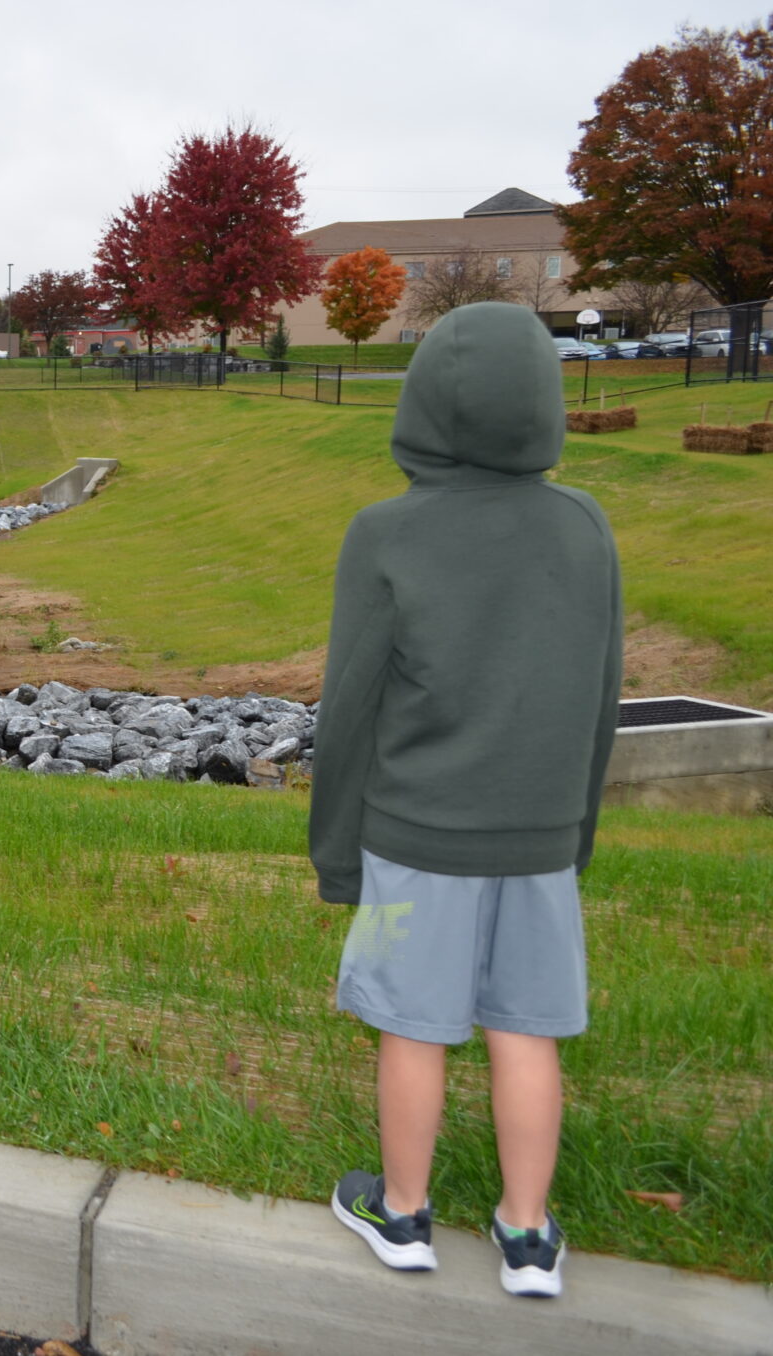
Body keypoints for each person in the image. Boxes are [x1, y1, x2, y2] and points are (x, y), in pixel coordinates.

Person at [309, 301, 622, 1299]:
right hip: (538, 836)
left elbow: (348, 708)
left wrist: (337, 856)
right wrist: (573, 830)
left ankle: (401, 1215)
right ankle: (526, 1236)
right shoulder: (584, 530)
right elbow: (600, 694)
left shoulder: (385, 533)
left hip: (413, 838)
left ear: (421, 406)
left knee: (414, 1024)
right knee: (522, 1025)